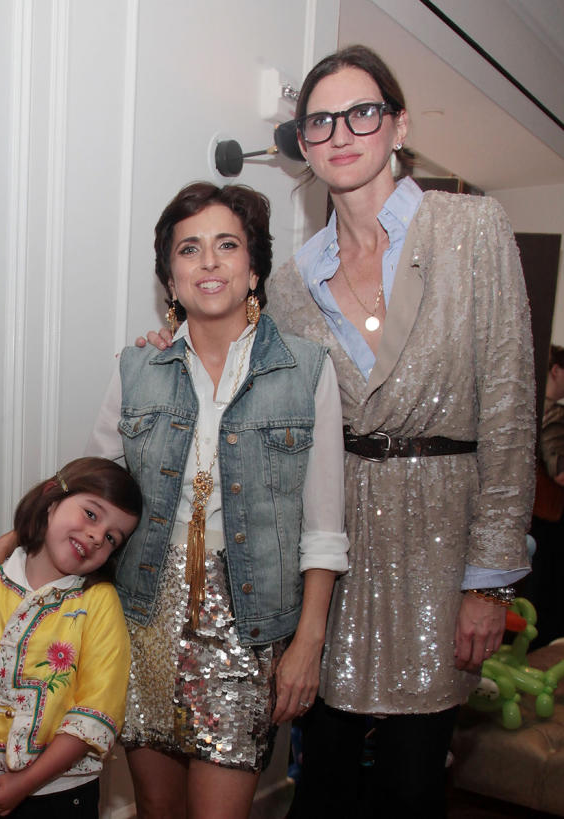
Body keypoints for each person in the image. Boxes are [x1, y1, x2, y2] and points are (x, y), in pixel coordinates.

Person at [0, 182, 349, 819]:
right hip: (140, 615)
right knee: (153, 810)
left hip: (245, 626)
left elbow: (325, 527)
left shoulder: (308, 371)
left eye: (228, 245)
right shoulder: (136, 367)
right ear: (170, 277)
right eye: (189, 249)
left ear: (254, 268)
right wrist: (13, 537)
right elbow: (90, 490)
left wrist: (308, 641)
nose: (209, 262)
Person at [263, 46, 534, 817]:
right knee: (323, 779)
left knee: (415, 783)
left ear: (397, 124)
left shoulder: (471, 227)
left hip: (442, 541)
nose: (340, 132)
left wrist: (488, 581)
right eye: (319, 120)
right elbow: (276, 414)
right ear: (304, 144)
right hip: (337, 551)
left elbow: (510, 409)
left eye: (361, 112)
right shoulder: (291, 282)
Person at [0, 457, 141, 818]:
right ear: (51, 497)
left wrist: (24, 783)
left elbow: (99, 710)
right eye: (91, 514)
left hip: (65, 794)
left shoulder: (100, 603)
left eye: (110, 538)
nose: (95, 536)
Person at [525, 345, 564, 648]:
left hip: (535, 515)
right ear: (556, 370)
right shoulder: (554, 416)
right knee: (544, 593)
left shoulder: (530, 407)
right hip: (548, 517)